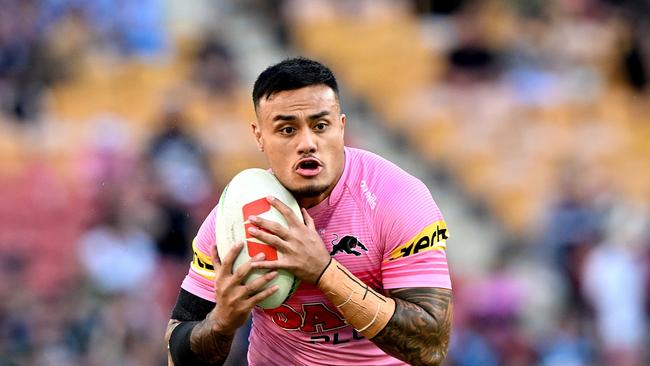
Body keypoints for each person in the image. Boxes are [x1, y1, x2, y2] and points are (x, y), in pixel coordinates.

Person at [165, 57, 453, 365]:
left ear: (341, 128)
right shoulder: (236, 219)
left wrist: (324, 272)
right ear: (259, 137)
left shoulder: (396, 198)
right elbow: (177, 351)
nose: (307, 143)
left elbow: (431, 346)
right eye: (287, 130)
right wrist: (220, 323)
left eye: (320, 126)